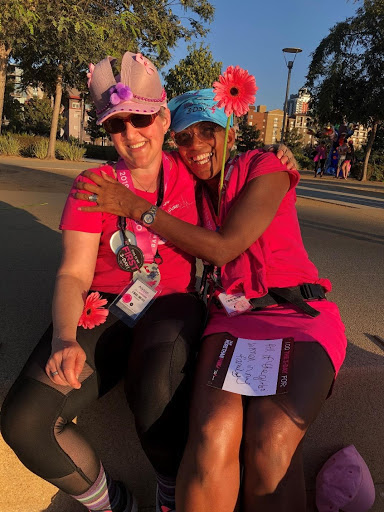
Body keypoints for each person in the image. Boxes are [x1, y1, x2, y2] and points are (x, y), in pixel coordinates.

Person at [74, 87, 347, 512]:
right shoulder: (194, 194)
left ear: (230, 131)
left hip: (296, 315)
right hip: (233, 322)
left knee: (271, 440)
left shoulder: (265, 165)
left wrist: (134, 207)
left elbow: (223, 248)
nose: (197, 145)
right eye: (184, 137)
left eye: (208, 131)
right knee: (210, 435)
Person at [0, 52, 206, 512]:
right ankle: (114, 505)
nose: (131, 135)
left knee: (154, 384)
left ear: (164, 116)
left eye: (141, 118)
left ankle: (169, 497)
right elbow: (74, 272)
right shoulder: (91, 184)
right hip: (105, 306)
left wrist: (278, 158)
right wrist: (64, 337)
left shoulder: (195, 175)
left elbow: (245, 173)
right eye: (117, 125)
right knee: (23, 424)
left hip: (173, 304)